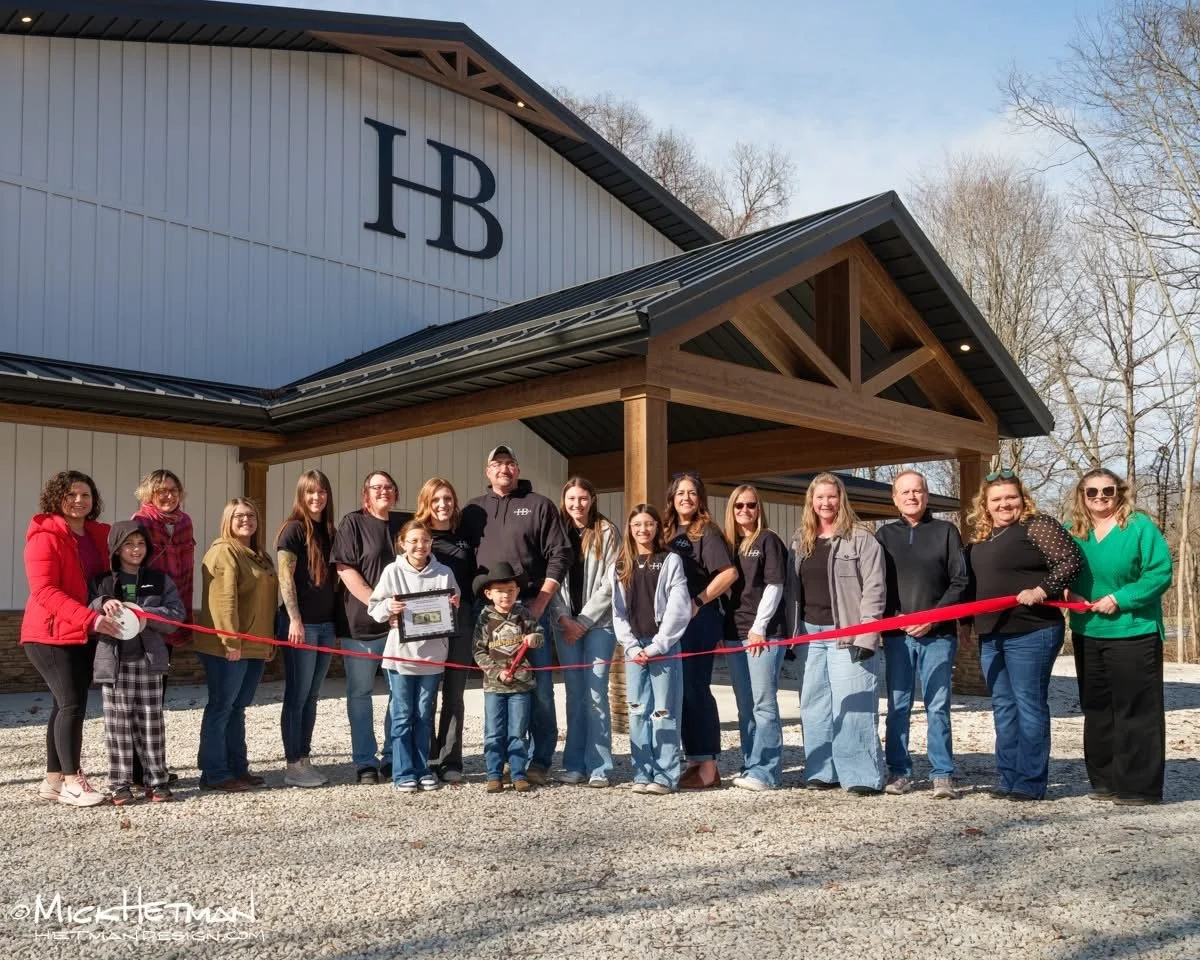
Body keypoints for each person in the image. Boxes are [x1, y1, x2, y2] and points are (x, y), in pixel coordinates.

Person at [965, 469, 1083, 802]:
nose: (1005, 504)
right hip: (991, 633)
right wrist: (963, 626)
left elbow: (1071, 560)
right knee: (1003, 707)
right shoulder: (981, 538)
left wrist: (1042, 588)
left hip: (1032, 630)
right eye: (997, 499)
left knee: (1028, 705)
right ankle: (1007, 777)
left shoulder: (1037, 526)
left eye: (1011, 497)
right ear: (985, 505)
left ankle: (1030, 782)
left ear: (1022, 498)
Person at [461, 445, 571, 785]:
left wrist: (540, 601)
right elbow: (462, 559)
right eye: (496, 464)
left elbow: (560, 554)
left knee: (537, 690)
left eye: (509, 463)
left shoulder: (539, 505)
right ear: (487, 471)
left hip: (528, 608)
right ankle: (506, 761)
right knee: (498, 685)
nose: (503, 469)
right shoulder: (473, 510)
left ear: (518, 468)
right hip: (487, 612)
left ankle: (539, 762)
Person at [1067, 468, 1173, 806]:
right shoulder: (1073, 532)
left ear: (1120, 493)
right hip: (1088, 631)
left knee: (1136, 709)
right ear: (1081, 496)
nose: (1100, 498)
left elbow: (1159, 573)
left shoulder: (1139, 526)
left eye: (1107, 491)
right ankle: (1105, 780)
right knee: (1097, 709)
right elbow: (1060, 572)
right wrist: (1068, 595)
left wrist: (1121, 599)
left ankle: (1140, 787)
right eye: (1092, 492)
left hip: (1133, 630)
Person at [785, 472, 888, 796]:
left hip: (848, 633)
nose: (826, 503)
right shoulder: (801, 539)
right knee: (814, 706)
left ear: (841, 499)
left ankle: (861, 775)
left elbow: (874, 587)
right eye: (820, 497)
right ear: (811, 502)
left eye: (831, 496)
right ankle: (822, 770)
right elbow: (792, 590)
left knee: (853, 703)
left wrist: (868, 634)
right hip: (810, 635)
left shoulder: (861, 538)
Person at [23, 470, 120, 807]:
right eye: (72, 494)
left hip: (81, 630)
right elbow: (45, 591)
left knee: (63, 703)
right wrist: (91, 619)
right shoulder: (45, 536)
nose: (79, 501)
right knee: (72, 704)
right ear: (57, 497)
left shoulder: (97, 535)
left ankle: (52, 781)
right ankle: (71, 781)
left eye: (86, 495)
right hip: (48, 633)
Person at [876, 470, 969, 800]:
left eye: (918, 491)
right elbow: (877, 584)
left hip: (938, 634)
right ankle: (899, 771)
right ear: (895, 498)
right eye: (905, 492)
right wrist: (894, 617)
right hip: (898, 635)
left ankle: (942, 774)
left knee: (938, 704)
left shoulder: (946, 532)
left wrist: (932, 617)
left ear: (927, 496)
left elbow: (961, 581)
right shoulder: (884, 535)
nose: (912, 497)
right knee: (898, 705)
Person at [88, 521, 184, 804]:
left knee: (151, 723)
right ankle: (119, 783)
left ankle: (157, 781)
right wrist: (102, 603)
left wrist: (146, 613)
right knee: (117, 727)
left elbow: (175, 614)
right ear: (117, 549)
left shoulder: (159, 579)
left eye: (141, 544)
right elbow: (87, 608)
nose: (135, 550)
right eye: (129, 544)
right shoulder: (102, 582)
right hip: (114, 665)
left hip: (149, 662)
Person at [369, 520, 460, 794]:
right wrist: (389, 606)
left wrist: (454, 603)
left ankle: (423, 769)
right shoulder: (392, 571)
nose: (420, 546)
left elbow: (454, 603)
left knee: (423, 714)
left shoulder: (444, 573)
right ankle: (402, 772)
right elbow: (374, 607)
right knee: (402, 714)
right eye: (414, 541)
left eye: (425, 541)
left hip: (432, 657)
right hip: (400, 656)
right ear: (402, 543)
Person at [194, 498, 277, 793]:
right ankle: (214, 772)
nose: (246, 520)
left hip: (254, 646)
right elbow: (223, 601)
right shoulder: (223, 552)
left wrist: (267, 644)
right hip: (227, 646)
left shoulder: (259, 555)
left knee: (238, 708)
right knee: (221, 707)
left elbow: (265, 604)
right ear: (228, 520)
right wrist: (231, 640)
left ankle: (237, 768)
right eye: (239, 516)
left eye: (251, 515)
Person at [662, 472, 737, 790]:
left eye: (692, 493)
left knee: (695, 690)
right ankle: (693, 760)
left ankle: (708, 766)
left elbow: (728, 573)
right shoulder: (664, 531)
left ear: (700, 499)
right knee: (679, 693)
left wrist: (698, 601)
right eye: (680, 493)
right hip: (670, 624)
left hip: (697, 621)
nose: (686, 498)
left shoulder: (704, 531)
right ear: (672, 498)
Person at [612, 504, 691, 795]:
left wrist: (658, 645)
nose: (642, 530)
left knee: (664, 711)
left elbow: (678, 607)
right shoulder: (621, 564)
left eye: (648, 524)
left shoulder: (670, 560)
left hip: (663, 648)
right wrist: (631, 646)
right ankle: (642, 771)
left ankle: (666, 775)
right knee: (637, 710)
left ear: (657, 527)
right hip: (635, 650)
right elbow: (618, 612)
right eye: (636, 525)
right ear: (630, 529)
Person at [331, 470, 402, 784]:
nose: (383, 491)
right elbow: (346, 570)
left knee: (397, 693)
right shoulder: (353, 523)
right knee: (360, 692)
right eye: (376, 487)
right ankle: (364, 762)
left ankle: (391, 756)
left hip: (399, 626)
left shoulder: (404, 524)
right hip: (360, 624)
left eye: (388, 487)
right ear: (366, 496)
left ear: (395, 494)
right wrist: (379, 605)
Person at [549, 476, 619, 787]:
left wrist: (585, 621)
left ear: (592, 499)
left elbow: (611, 583)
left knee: (596, 693)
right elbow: (549, 581)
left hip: (599, 626)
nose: (577, 504)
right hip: (564, 625)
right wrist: (565, 619)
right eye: (571, 499)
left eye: (583, 498)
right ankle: (574, 763)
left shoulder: (607, 532)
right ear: (564, 500)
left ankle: (600, 766)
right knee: (575, 695)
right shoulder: (555, 532)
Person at [721, 484, 788, 791]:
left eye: (750, 505)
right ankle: (751, 764)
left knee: (763, 704)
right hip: (734, 633)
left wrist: (760, 626)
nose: (745, 511)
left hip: (762, 634)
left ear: (759, 508)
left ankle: (768, 771)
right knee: (744, 705)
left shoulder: (768, 540)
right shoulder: (729, 545)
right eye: (739, 506)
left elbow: (775, 585)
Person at [131, 468, 194, 787]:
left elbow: (187, 572)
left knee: (157, 696)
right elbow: (128, 567)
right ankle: (137, 771)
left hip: (172, 611)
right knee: (139, 697)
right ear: (149, 495)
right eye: (161, 491)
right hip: (144, 614)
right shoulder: (140, 522)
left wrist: (181, 618)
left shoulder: (184, 523)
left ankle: (152, 767)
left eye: (173, 490)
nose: (168, 495)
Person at [276, 470, 337, 789]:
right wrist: (295, 618)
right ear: (301, 495)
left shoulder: (328, 530)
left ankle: (304, 756)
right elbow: (285, 578)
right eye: (311, 492)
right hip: (302, 625)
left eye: (322, 492)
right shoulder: (292, 530)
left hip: (326, 625)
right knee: (297, 695)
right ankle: (293, 763)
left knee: (312, 695)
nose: (317, 498)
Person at [413, 478, 476, 784]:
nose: (442, 505)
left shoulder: (464, 538)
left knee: (454, 693)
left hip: (461, 619)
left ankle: (450, 759)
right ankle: (425, 756)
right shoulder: (419, 538)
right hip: (427, 621)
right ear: (426, 502)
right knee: (426, 694)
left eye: (448, 499)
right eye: (436, 499)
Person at [472, 562, 545, 793]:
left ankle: (518, 773)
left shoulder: (522, 614)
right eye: (501, 591)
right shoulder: (485, 618)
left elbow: (539, 634)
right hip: (494, 686)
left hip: (521, 685)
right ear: (489, 593)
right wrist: (496, 671)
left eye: (511, 590)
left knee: (517, 731)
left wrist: (534, 637)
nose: (506, 595)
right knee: (494, 731)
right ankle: (494, 774)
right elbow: (478, 650)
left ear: (518, 591)